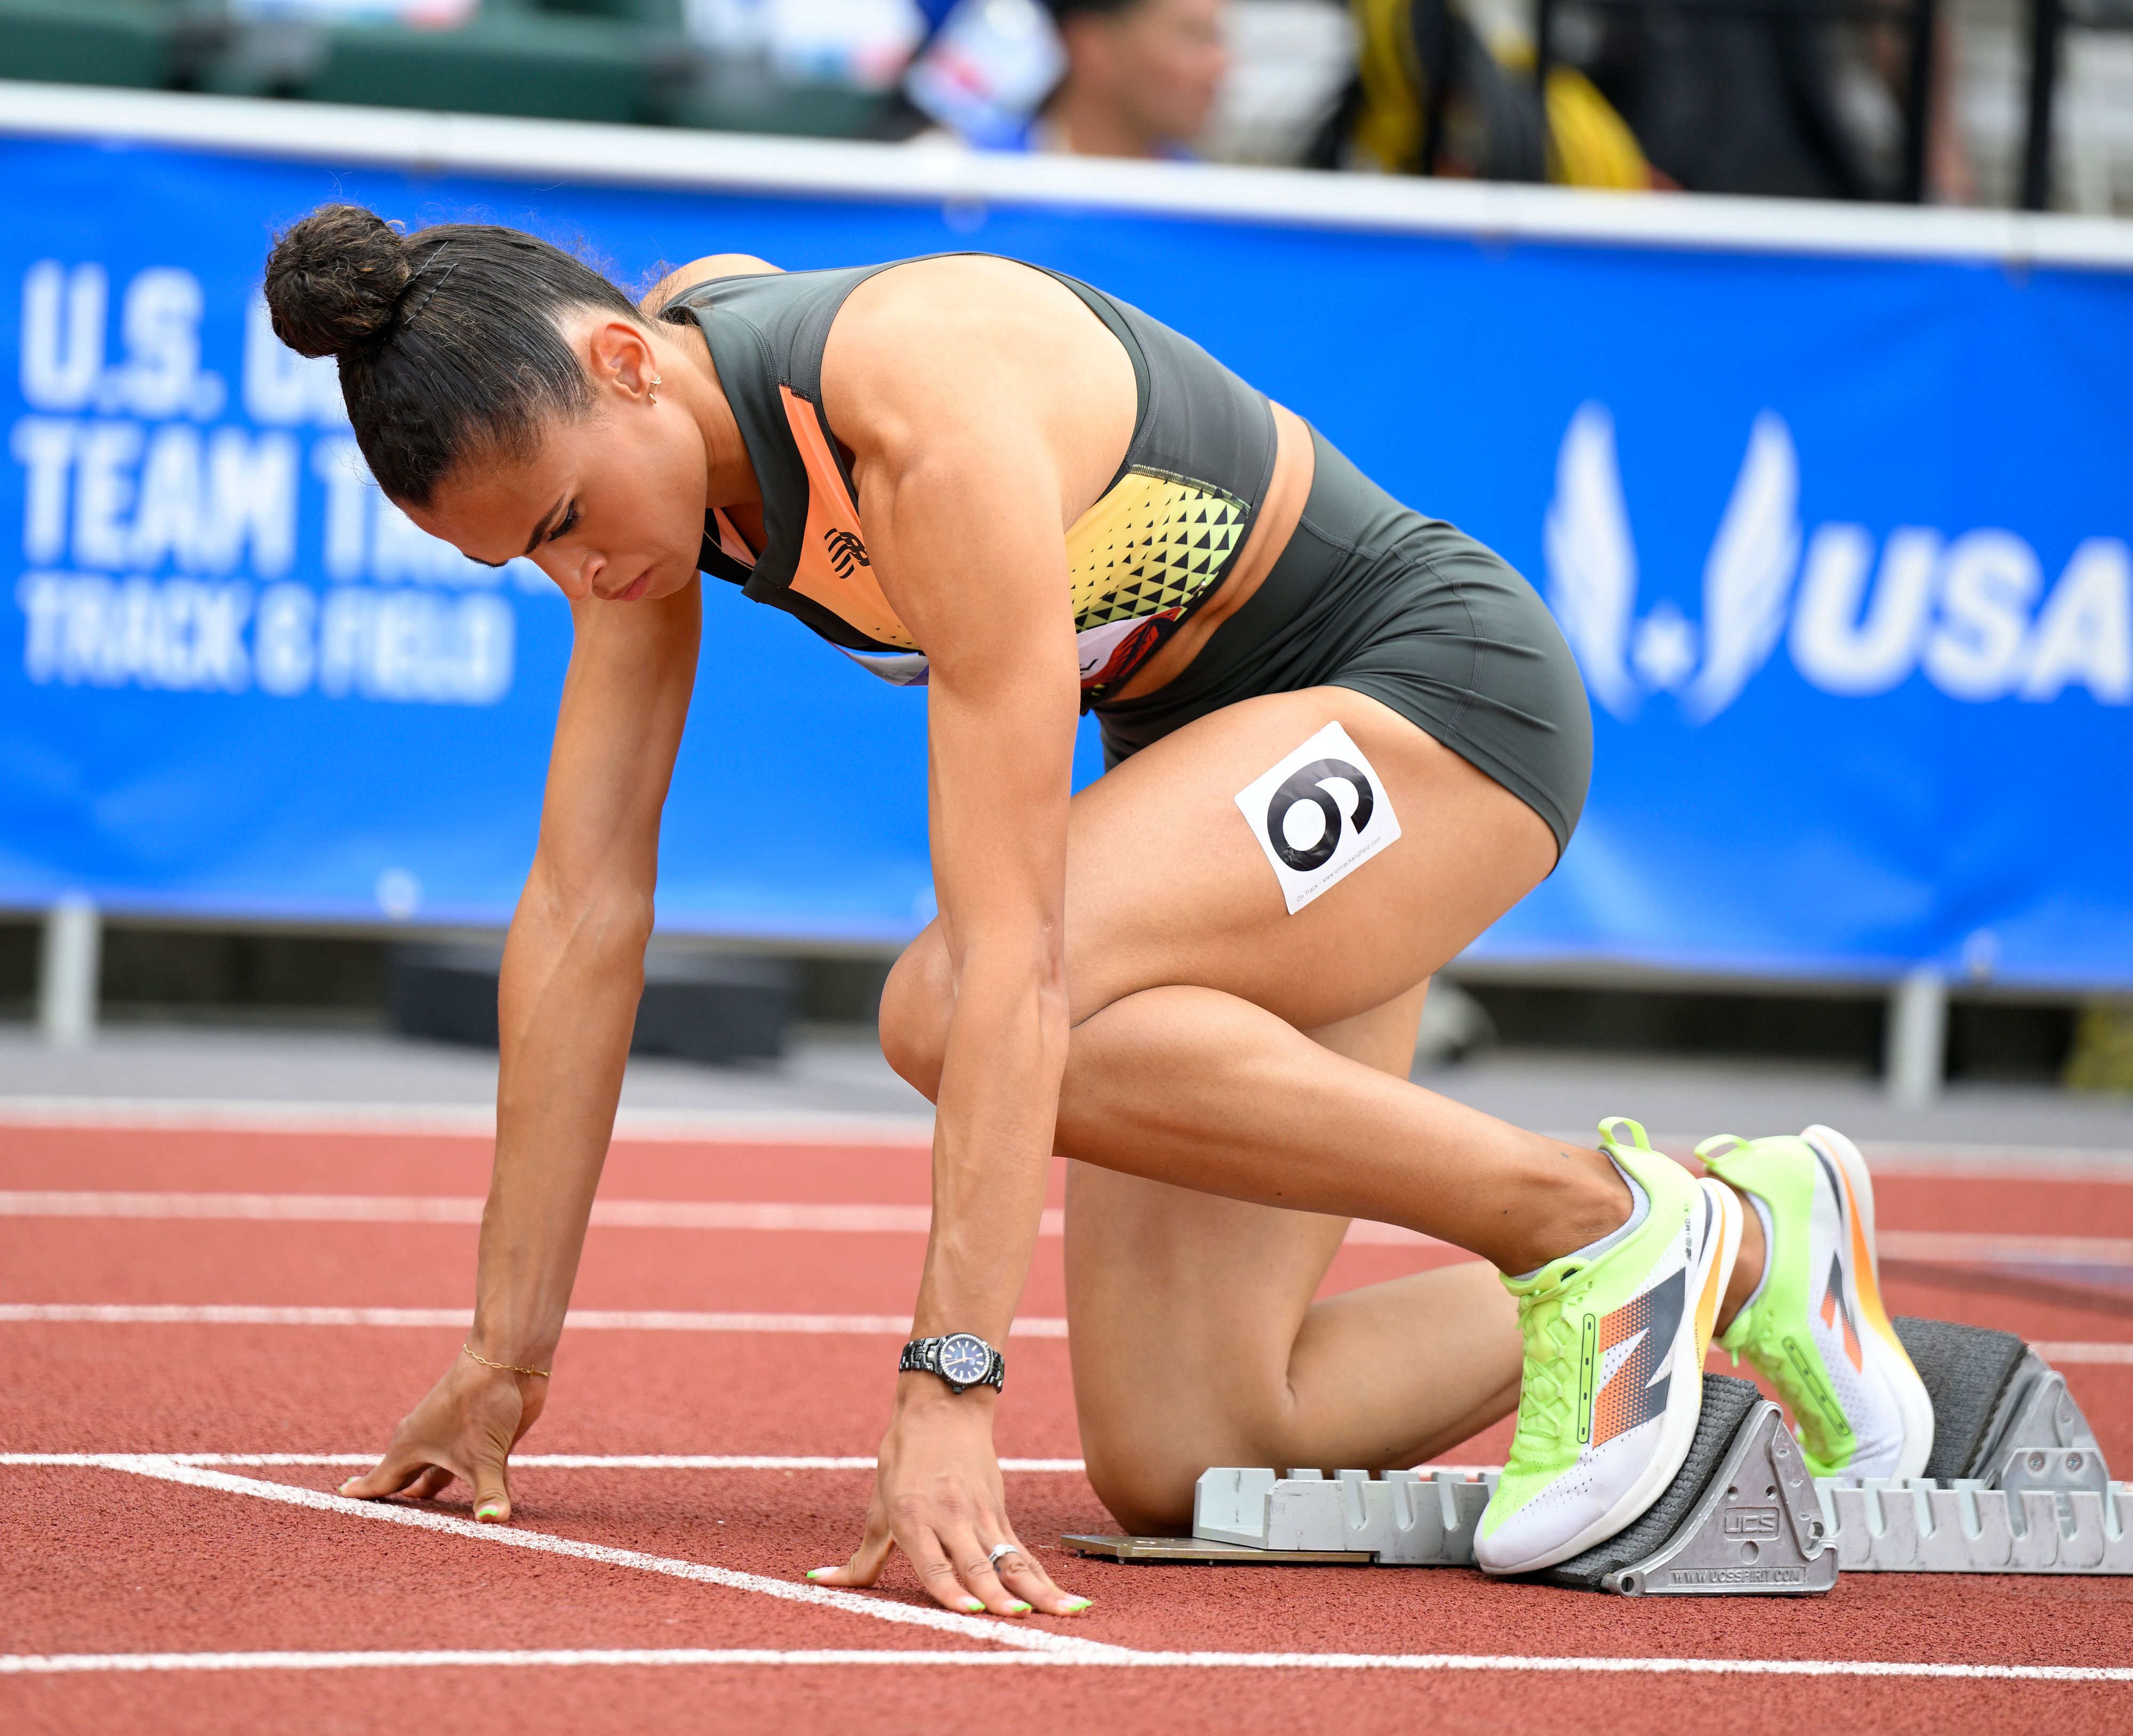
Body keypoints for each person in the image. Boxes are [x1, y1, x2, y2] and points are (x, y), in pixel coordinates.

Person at [267, 209, 1934, 1614]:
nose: (586, 575)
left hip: (1425, 700)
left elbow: (1015, 952)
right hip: (1224, 779)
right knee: (1202, 1446)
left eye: (563, 521)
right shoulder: (643, 470)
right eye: (526, 564)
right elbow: (581, 905)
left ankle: (1600, 1225)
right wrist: (505, 1356)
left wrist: (950, 1386)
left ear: (623, 360)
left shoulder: (916, 412)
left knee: (940, 1001)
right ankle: (1743, 1220)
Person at [1029, 0, 1228, 159]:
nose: (1221, 64)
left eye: (1216, 37)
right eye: (1192, 36)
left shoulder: (1205, 201)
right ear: (1093, 49)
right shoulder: (1003, 189)